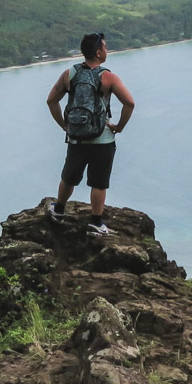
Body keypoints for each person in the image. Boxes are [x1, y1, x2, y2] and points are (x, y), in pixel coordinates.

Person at [46, 31, 135, 236]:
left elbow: (51, 100)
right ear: (97, 52)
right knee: (98, 182)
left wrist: (64, 125)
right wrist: (118, 127)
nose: (106, 50)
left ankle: (59, 210)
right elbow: (129, 103)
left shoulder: (70, 74)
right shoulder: (108, 77)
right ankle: (96, 222)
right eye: (105, 47)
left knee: (69, 176)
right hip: (102, 138)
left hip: (77, 137)